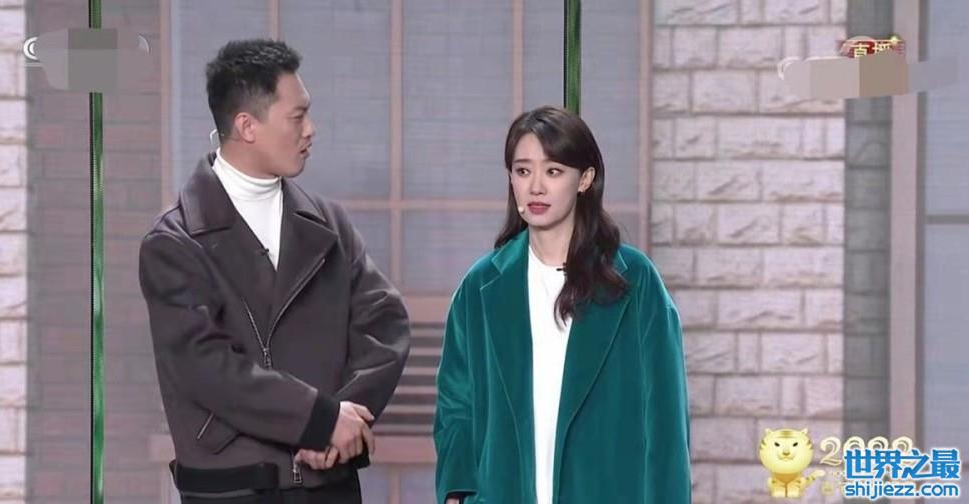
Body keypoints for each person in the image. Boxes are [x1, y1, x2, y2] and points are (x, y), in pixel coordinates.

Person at [138, 39, 410, 503]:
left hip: (329, 485)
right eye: (297, 116)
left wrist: (343, 421)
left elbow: (384, 326)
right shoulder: (175, 242)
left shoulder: (329, 226)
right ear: (247, 126)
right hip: (233, 489)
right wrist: (319, 420)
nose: (311, 130)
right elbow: (205, 366)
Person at [433, 106, 691, 503]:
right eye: (523, 171)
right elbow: (456, 406)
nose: (535, 187)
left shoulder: (634, 281)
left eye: (553, 171)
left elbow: (666, 420)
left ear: (584, 179)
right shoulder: (481, 286)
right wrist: (457, 494)